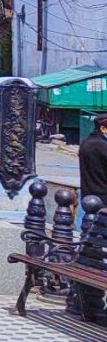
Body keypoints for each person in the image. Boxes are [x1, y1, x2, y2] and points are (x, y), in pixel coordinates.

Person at [77, 113, 107, 323]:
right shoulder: (103, 147)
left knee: (92, 250)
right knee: (97, 254)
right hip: (103, 203)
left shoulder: (86, 144)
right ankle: (93, 303)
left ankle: (88, 302)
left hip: (89, 200)